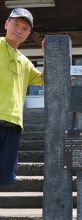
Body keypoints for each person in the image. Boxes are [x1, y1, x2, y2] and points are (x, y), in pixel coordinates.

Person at [0, 8, 44, 185]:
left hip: (13, 125)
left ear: (28, 34)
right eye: (15, 24)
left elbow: (44, 79)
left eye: (25, 28)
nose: (19, 30)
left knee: (3, 177)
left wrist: (49, 54)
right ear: (6, 24)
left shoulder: (24, 61)